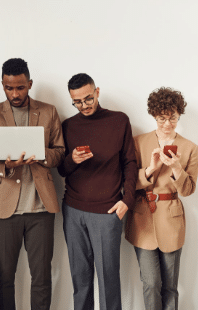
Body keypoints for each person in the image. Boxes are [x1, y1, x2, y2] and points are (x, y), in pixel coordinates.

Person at [0, 58, 65, 310]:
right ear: (3, 85)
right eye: (9, 88)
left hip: (41, 208)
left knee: (41, 276)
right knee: (4, 276)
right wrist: (6, 166)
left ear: (29, 84)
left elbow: (60, 152)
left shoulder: (48, 111)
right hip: (4, 209)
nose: (15, 94)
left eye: (20, 87)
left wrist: (41, 155)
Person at [58, 73, 137, 310]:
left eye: (88, 99)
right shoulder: (68, 125)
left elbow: (130, 163)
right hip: (73, 210)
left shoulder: (119, 121)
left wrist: (127, 201)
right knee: (80, 279)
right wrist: (72, 159)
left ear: (97, 92)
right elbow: (61, 169)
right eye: (77, 102)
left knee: (108, 279)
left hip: (108, 211)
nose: (84, 105)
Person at [125, 87, 198, 310]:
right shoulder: (138, 142)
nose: (167, 123)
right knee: (151, 283)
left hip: (172, 218)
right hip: (142, 218)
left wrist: (176, 167)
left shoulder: (190, 148)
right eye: (162, 118)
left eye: (172, 118)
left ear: (179, 115)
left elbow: (188, 190)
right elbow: (128, 182)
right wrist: (150, 169)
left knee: (170, 286)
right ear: (154, 115)